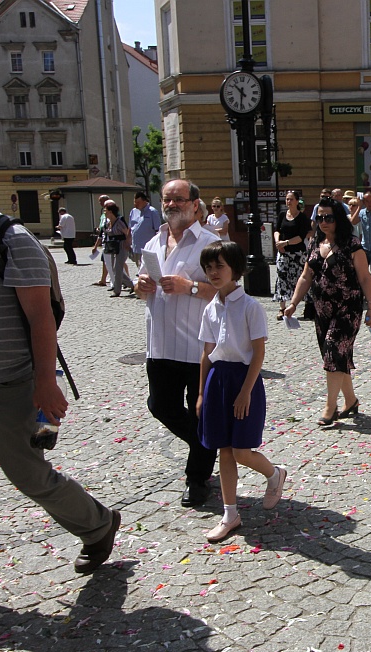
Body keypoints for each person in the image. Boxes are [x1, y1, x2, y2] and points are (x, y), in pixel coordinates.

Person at [0, 136, 120, 630]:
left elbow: (42, 320)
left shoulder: (11, 240)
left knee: (30, 478)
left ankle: (99, 524)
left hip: (4, 387)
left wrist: (45, 383)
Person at [135, 178, 221, 507]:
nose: (171, 205)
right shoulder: (153, 243)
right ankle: (208, 444)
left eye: (178, 200)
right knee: (160, 405)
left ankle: (197, 479)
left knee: (200, 413)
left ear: (195, 205)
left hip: (200, 347)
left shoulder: (210, 243)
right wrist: (140, 284)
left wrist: (190, 288)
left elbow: (225, 291)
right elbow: (143, 280)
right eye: (166, 200)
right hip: (160, 344)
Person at [196, 241, 287, 543]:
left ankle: (274, 474)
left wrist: (246, 391)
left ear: (234, 268)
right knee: (223, 448)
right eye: (209, 268)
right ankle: (230, 513)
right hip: (217, 381)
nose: (213, 272)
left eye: (219, 266)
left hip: (244, 380)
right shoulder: (210, 309)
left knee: (241, 451)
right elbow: (207, 354)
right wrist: (200, 393)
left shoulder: (250, 307)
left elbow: (258, 353)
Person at [285, 198, 371, 426]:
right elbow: (306, 277)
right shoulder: (316, 244)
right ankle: (351, 400)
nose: (323, 221)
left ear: (338, 219)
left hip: (348, 309)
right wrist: (293, 303)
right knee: (335, 357)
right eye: (320, 217)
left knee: (334, 351)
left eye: (329, 217)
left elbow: (365, 278)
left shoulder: (352, 244)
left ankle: (330, 407)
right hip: (322, 311)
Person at [272, 190, 311, 320]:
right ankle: (282, 308)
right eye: (287, 199)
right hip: (283, 253)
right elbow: (277, 230)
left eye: (291, 199)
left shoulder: (302, 218)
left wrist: (286, 243)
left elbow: (301, 237)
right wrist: (278, 242)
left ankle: (302, 306)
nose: (288, 202)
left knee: (300, 279)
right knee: (281, 277)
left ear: (296, 201)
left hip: (298, 253)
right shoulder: (282, 215)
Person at [102, 202, 135, 298]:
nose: (104, 212)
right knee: (114, 268)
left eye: (106, 210)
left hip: (121, 245)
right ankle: (132, 285)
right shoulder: (107, 222)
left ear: (110, 211)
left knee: (118, 267)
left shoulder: (119, 222)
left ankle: (117, 290)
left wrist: (128, 243)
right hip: (113, 246)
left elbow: (127, 233)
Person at [129, 190, 161, 268]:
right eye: (135, 202)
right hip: (136, 247)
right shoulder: (133, 212)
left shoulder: (152, 212)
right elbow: (130, 228)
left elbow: (158, 230)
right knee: (139, 268)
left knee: (148, 269)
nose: (135, 205)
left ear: (144, 201)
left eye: (138, 202)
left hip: (148, 248)